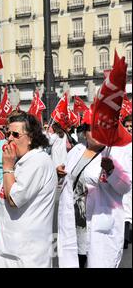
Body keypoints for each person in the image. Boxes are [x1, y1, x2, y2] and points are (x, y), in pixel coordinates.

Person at [57, 110, 132, 268]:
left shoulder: (116, 152)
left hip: (99, 225)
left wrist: (112, 171)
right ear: (84, 131)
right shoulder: (76, 151)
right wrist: (59, 173)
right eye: (92, 128)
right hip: (74, 226)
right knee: (73, 262)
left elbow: (125, 186)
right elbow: (70, 180)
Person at [0, 111, 57, 268]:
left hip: (26, 254)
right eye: (8, 133)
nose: (9, 138)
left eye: (15, 134)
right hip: (9, 248)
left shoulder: (38, 161)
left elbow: (14, 199)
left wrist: (7, 167)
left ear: (30, 138)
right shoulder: (23, 160)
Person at [122, 114, 132, 249]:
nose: (129, 128)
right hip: (125, 181)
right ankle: (124, 238)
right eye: (127, 126)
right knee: (125, 208)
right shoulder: (120, 143)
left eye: (131, 126)